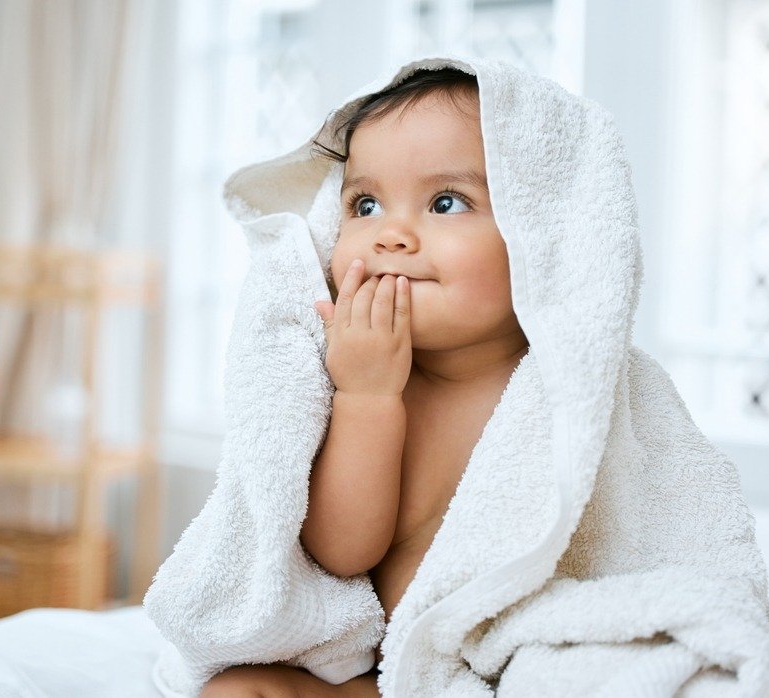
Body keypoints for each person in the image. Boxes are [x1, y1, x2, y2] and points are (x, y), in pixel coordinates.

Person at [201, 67, 527, 697]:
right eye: (365, 205)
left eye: (446, 203)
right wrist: (366, 395)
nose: (390, 234)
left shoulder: (568, 391)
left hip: (512, 669)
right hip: (384, 676)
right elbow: (343, 553)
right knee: (239, 690)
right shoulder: (366, 377)